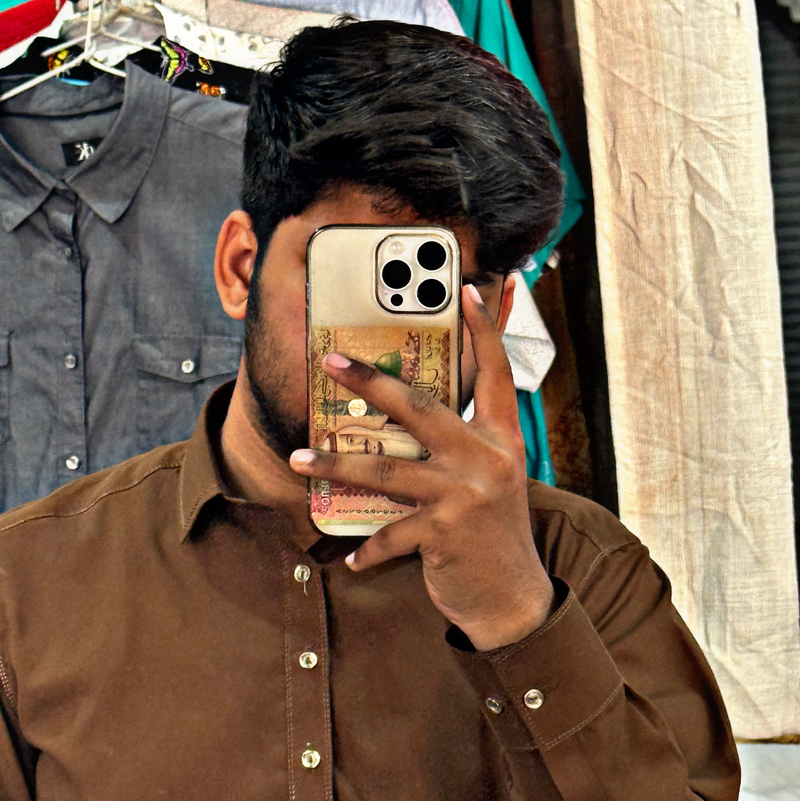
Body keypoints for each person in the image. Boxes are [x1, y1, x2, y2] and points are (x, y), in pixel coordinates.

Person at [0, 18, 739, 800]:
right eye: (358, 273)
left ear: (499, 310)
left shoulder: (585, 568)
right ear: (241, 268)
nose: (393, 344)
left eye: (442, 286)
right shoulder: (27, 588)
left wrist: (521, 620)